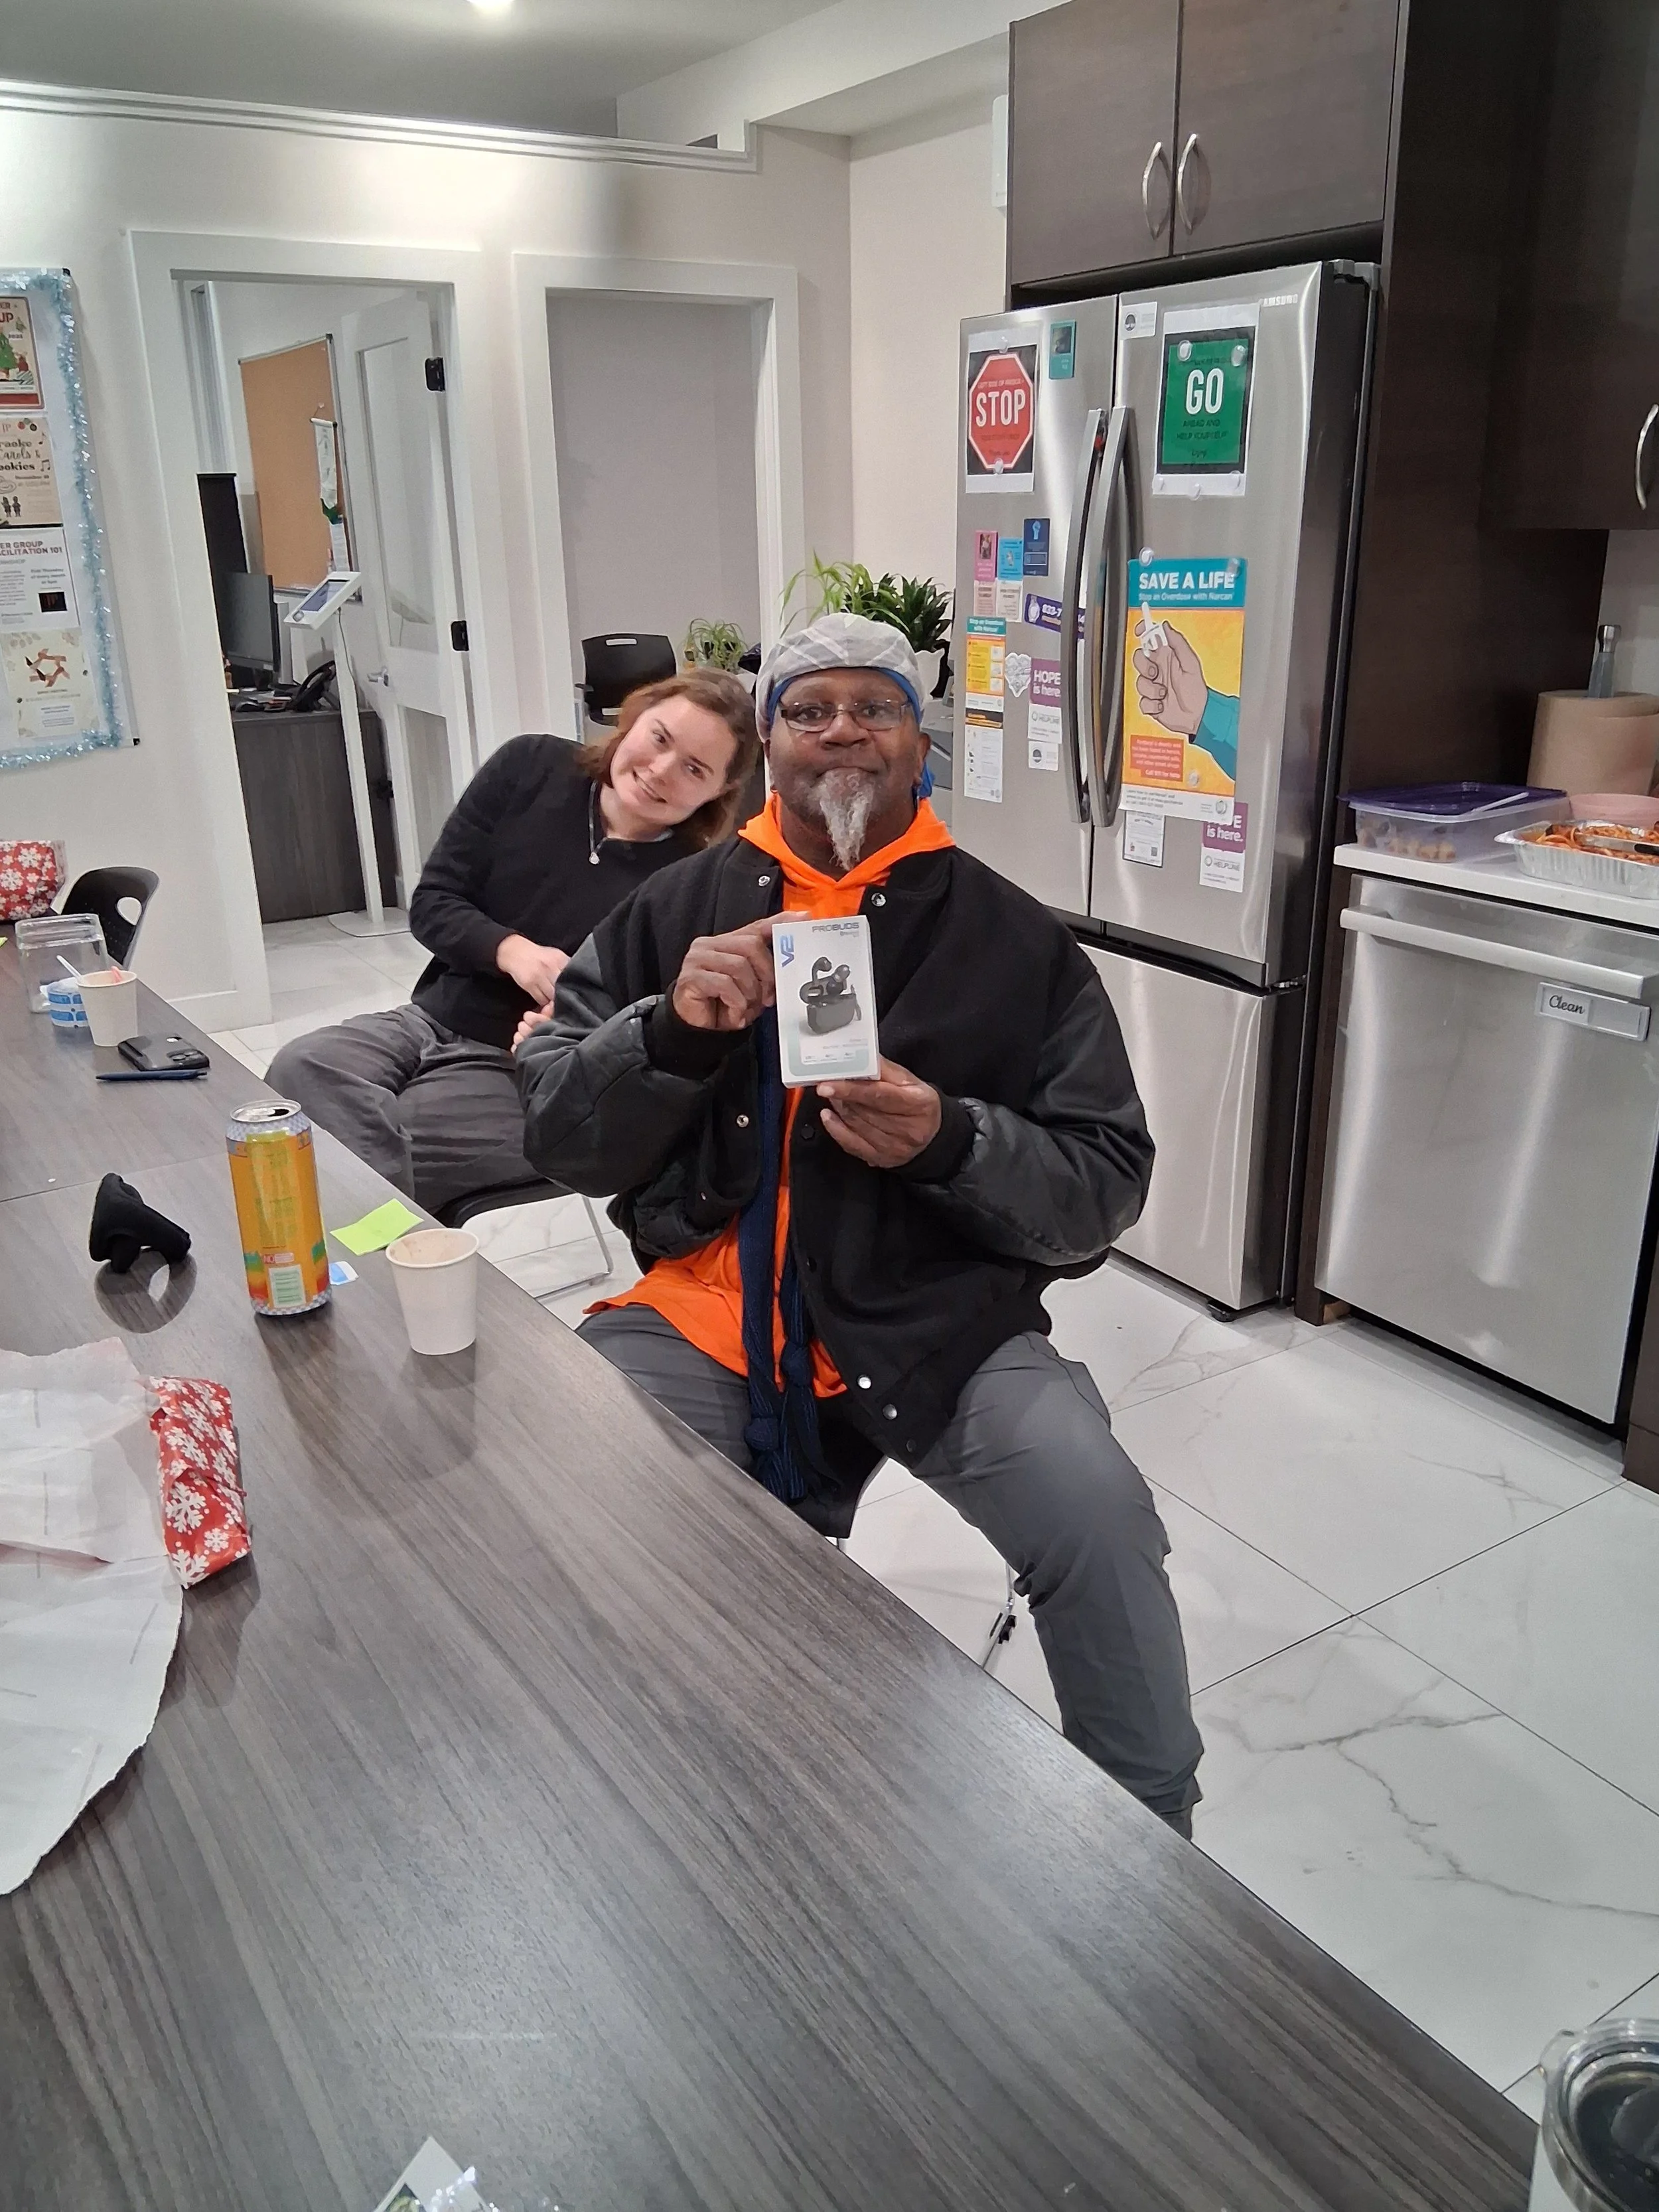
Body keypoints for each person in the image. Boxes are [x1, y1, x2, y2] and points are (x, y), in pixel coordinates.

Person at [515, 613, 1202, 1834]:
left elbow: (1106, 1180)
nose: (842, 733)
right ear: (766, 741)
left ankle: (1157, 1844)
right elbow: (557, 1129)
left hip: (935, 1315)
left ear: (919, 738)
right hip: (712, 1306)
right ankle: (663, 1812)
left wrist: (952, 1139)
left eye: (874, 708)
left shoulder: (1017, 939)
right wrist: (666, 1035)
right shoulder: (672, 912)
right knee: (581, 1505)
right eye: (809, 708)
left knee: (1096, 1512)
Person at [267, 671, 759, 1215]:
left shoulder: (692, 879)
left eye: (695, 769)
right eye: (660, 738)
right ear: (634, 718)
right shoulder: (531, 766)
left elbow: (655, 1024)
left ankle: (367, 1264)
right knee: (303, 1068)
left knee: (385, 1138)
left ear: (719, 792)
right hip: (429, 1018)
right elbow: (434, 902)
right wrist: (512, 951)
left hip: (524, 1068)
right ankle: (379, 1250)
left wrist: (574, 1030)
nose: (660, 771)